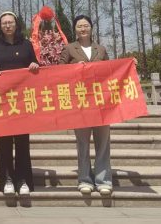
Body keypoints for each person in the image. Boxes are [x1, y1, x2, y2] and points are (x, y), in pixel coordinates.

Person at [0, 11, 40, 196]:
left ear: (16, 24)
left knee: (23, 141)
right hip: (3, 101)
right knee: (5, 142)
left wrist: (34, 65)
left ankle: (23, 179)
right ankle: (7, 179)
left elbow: (35, 64)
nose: (7, 25)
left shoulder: (26, 45)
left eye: (10, 22)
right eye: (4, 23)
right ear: (0, 26)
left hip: (22, 100)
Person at [59, 14, 112, 196]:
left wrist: (129, 64)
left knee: (103, 142)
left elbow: (111, 70)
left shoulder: (101, 49)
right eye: (79, 26)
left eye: (86, 25)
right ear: (75, 29)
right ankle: (84, 179)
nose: (83, 29)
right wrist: (73, 68)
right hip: (80, 103)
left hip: (100, 102)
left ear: (91, 28)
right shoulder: (69, 49)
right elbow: (58, 71)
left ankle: (103, 180)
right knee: (82, 143)